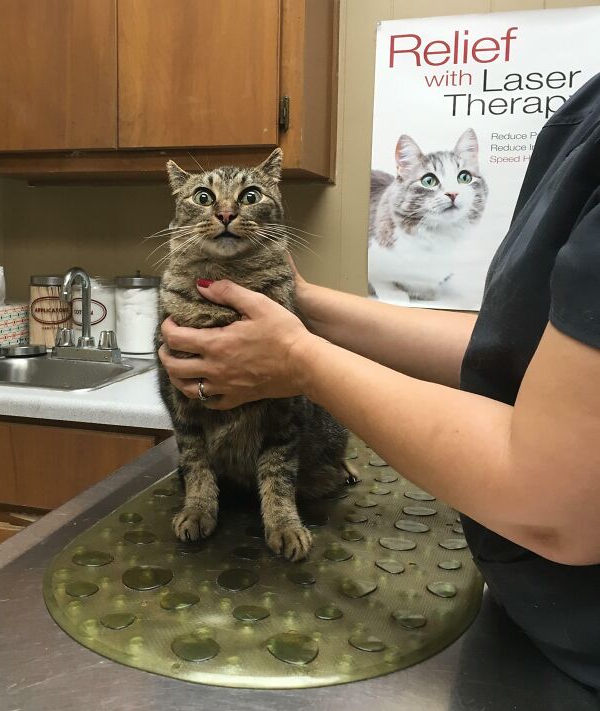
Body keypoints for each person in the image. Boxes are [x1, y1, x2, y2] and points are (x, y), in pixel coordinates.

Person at [158, 74, 600, 689]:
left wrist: (301, 362)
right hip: (527, 612)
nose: (228, 210)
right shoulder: (587, 110)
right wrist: (305, 306)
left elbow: (559, 504)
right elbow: (520, 351)